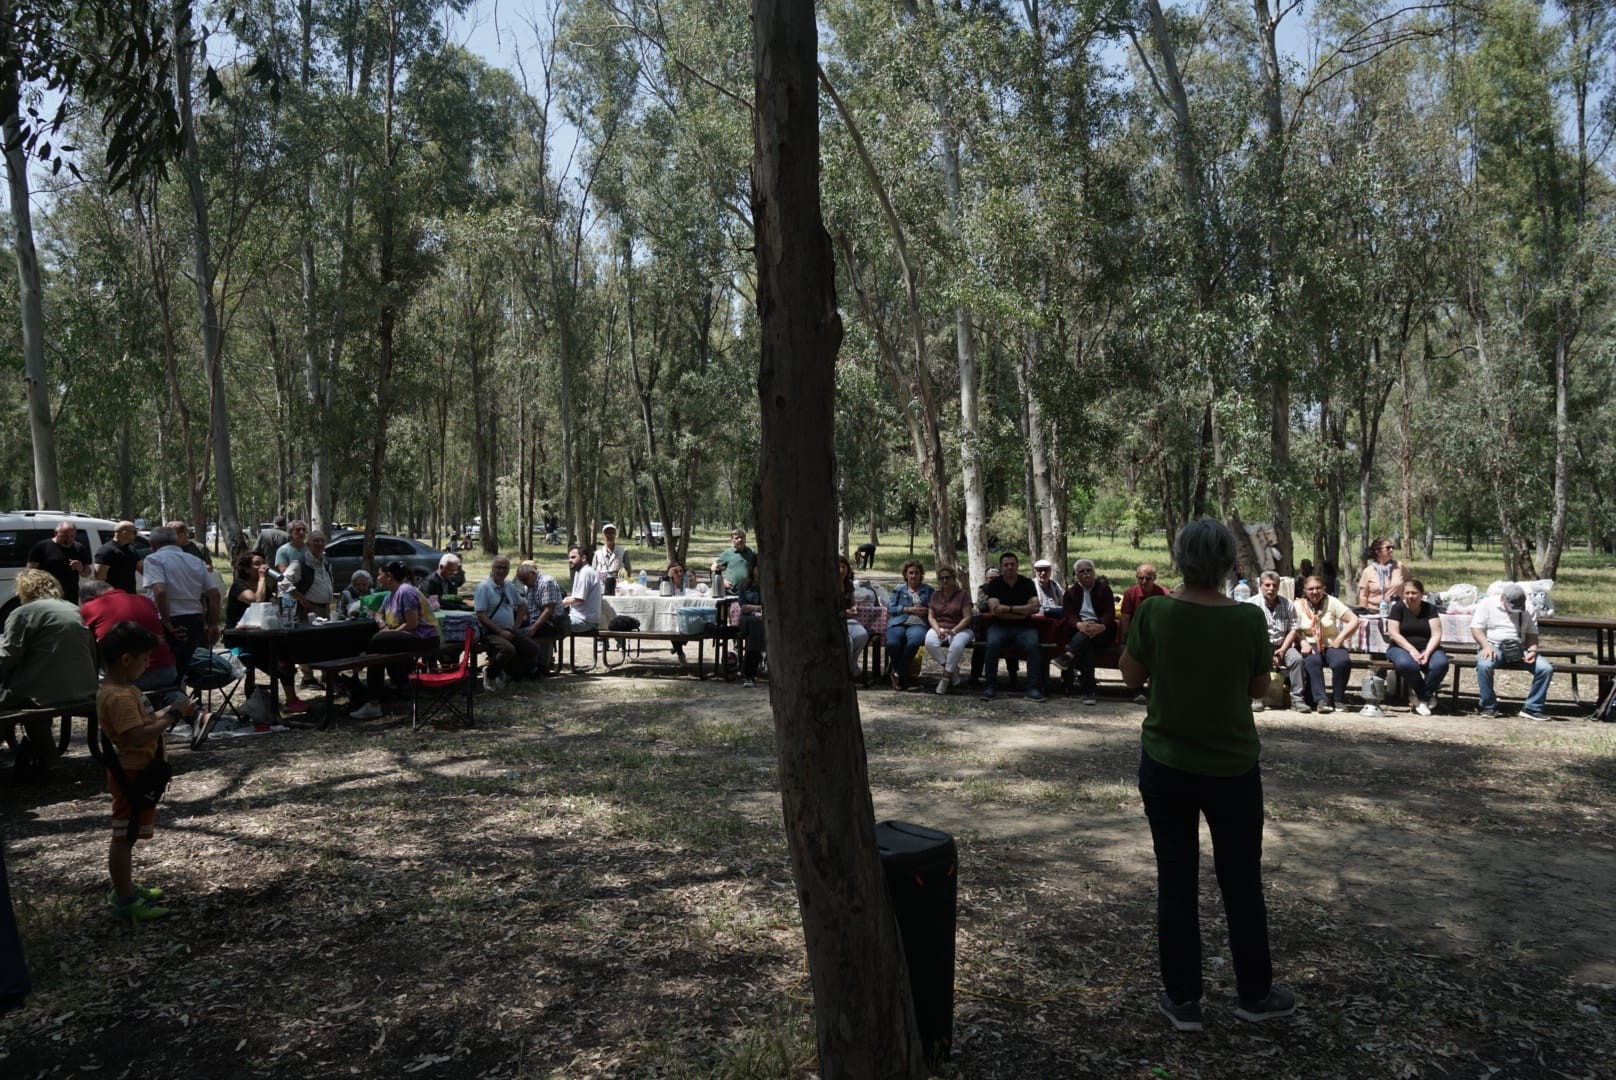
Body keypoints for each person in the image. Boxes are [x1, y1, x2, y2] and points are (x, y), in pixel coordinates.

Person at [1118, 517, 1296, 1032]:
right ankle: (1254, 994)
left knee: (1176, 880)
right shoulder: (1245, 620)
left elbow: (1131, 675)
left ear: (1180, 560)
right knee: (1241, 881)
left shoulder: (1154, 611)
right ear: (1227, 564)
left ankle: (1183, 1000)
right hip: (1233, 768)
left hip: (1167, 765)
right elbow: (1258, 690)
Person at [98, 621, 198, 921]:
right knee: (123, 837)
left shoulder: (126, 689)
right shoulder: (117, 696)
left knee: (129, 834)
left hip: (140, 770)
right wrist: (173, 717)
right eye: (144, 659)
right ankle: (125, 900)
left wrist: (169, 711)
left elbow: (142, 723)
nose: (147, 665)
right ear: (126, 659)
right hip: (131, 774)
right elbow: (136, 737)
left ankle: (125, 887)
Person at [0, 570, 99, 765]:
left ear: (24, 590)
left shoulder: (23, 612)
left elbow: (7, 656)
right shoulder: (74, 609)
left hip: (43, 693)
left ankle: (44, 756)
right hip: (84, 688)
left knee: (17, 699)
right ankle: (46, 755)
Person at [348, 561, 441, 720]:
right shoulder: (390, 594)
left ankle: (373, 699)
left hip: (424, 637)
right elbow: (377, 614)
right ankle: (375, 700)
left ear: (389, 576)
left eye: (380, 574)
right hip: (407, 636)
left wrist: (389, 633)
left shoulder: (406, 591)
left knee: (379, 642)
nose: (378, 578)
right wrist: (383, 625)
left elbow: (412, 624)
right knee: (377, 654)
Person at [80, 580, 187, 707]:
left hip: (130, 674)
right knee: (166, 694)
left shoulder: (90, 607)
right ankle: (198, 714)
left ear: (89, 598)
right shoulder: (145, 600)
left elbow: (86, 644)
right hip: (166, 669)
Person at [223, 552, 308, 713]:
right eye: (256, 564)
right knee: (276, 663)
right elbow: (256, 601)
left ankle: (291, 698)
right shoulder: (239, 586)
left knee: (286, 654)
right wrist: (262, 579)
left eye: (263, 562)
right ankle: (274, 698)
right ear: (246, 569)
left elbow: (273, 605)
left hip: (262, 636)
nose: (262, 567)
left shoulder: (265, 587)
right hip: (240, 640)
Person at [1470, 583, 1554, 720]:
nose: (1514, 611)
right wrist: (1485, 646)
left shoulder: (1528, 608)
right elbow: (1476, 628)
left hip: (1519, 647)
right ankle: (1488, 706)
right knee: (1484, 665)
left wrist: (1532, 650)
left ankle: (1533, 708)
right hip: (1492, 645)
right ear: (1503, 598)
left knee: (1545, 669)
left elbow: (1532, 634)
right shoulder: (1487, 604)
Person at [141, 525, 221, 666]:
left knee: (170, 666)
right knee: (190, 665)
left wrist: (166, 621)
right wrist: (213, 624)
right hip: (195, 619)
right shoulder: (197, 561)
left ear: (152, 545)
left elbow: (160, 591)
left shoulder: (153, 560)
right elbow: (214, 594)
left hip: (172, 621)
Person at [981, 551, 1046, 702]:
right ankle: (990, 687)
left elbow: (1035, 607)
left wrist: (1009, 609)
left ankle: (1033, 689)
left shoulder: (1027, 583)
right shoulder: (995, 584)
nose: (1009, 567)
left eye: (1012, 564)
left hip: (1025, 626)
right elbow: (995, 610)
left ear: (1017, 566)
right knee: (992, 645)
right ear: (1001, 567)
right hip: (999, 626)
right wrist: (1022, 611)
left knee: (1033, 645)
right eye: (1006, 565)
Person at [1053, 559, 1116, 705]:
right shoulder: (1070, 593)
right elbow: (1068, 615)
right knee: (1087, 646)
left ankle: (1067, 656)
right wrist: (1079, 624)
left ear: (1094, 572)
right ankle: (1089, 691)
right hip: (1080, 630)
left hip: (1102, 632)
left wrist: (1101, 626)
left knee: (1086, 639)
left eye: (1089, 570)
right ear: (1076, 575)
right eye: (1082, 571)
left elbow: (1109, 613)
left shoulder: (1104, 589)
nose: (1086, 573)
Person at [475, 555, 541, 691]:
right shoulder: (484, 587)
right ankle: (490, 672)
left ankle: (506, 671)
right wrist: (500, 631)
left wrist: (515, 627)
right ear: (492, 568)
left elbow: (523, 605)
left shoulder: (509, 586)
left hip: (509, 629)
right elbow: (481, 615)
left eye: (505, 568)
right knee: (508, 649)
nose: (501, 571)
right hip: (491, 632)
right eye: (498, 567)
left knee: (532, 649)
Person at [1294, 575, 1359, 713]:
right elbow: (1293, 628)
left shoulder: (1332, 602)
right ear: (1305, 591)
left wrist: (1340, 639)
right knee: (1312, 661)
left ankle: (1338, 700)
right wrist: (1303, 642)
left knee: (1342, 661)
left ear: (1324, 589)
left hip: (1331, 642)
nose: (1314, 592)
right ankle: (1321, 700)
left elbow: (1354, 620)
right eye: (1310, 589)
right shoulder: (1298, 605)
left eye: (1318, 588)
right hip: (1309, 642)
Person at [1247, 571, 1305, 713]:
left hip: (1282, 645)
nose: (1271, 589)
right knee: (1255, 660)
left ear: (1279, 587)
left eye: (1274, 585)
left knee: (1297, 660)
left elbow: (1293, 629)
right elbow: (1249, 632)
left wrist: (1283, 650)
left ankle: (1297, 699)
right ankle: (1256, 698)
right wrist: (1267, 652)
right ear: (1260, 586)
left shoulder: (1288, 604)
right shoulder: (1251, 605)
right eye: (1267, 585)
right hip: (1260, 646)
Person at [885, 560, 933, 691]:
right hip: (898, 621)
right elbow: (891, 608)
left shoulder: (928, 590)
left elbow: (936, 608)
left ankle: (897, 673)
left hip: (919, 623)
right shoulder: (899, 589)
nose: (913, 576)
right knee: (893, 644)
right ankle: (902, 674)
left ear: (921, 574)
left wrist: (926, 609)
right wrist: (908, 609)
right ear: (905, 575)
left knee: (914, 642)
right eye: (910, 573)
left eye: (916, 573)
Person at [924, 565, 973, 694]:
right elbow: (931, 616)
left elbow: (967, 617)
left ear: (954, 579)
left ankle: (945, 679)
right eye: (941, 578)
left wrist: (954, 631)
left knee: (956, 646)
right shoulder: (935, 595)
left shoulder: (962, 595)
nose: (944, 581)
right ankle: (952, 670)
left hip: (961, 629)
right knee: (929, 642)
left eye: (947, 578)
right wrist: (937, 630)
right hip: (940, 627)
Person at [516, 561, 564, 674]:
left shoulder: (547, 582)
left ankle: (535, 667)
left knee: (519, 636)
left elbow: (549, 610)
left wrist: (533, 628)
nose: (524, 583)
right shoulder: (528, 586)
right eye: (522, 581)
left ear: (533, 574)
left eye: (525, 580)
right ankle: (529, 666)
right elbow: (529, 607)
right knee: (511, 630)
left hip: (551, 623)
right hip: (535, 621)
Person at [26, 520, 91, 604]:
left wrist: (81, 568)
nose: (68, 539)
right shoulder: (41, 547)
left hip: (70, 596)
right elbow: (30, 572)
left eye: (72, 536)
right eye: (64, 536)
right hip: (47, 594)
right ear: (55, 533)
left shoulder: (79, 548)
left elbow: (87, 574)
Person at [734, 563, 766, 688]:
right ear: (752, 568)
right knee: (755, 625)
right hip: (748, 619)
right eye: (757, 566)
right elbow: (743, 607)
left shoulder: (771, 583)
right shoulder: (744, 584)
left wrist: (756, 608)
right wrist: (758, 609)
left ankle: (749, 673)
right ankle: (750, 673)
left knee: (757, 627)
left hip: (767, 618)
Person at [1355, 538, 1406, 613]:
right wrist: (1364, 614)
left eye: (1392, 547)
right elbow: (1363, 596)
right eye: (1388, 548)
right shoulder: (1368, 571)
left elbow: (1410, 585)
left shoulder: (1399, 566)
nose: (1391, 550)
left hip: (1397, 611)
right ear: (1377, 551)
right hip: (1374, 611)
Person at [838, 555, 869, 678]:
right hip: (833, 621)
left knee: (862, 635)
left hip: (848, 620)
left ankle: (852, 664)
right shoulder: (828, 586)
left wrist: (854, 608)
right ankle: (845, 672)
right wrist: (844, 612)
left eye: (844, 567)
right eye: (838, 567)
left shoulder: (849, 584)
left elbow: (853, 602)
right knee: (848, 642)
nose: (841, 570)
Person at [93, 521, 143, 594]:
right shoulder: (106, 550)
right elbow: (100, 578)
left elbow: (141, 568)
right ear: (124, 533)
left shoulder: (131, 549)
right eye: (134, 532)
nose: (136, 535)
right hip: (114, 597)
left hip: (130, 595)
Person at [562, 545, 602, 631]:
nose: (570, 560)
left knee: (549, 624)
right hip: (579, 618)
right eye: (569, 558)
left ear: (583, 558)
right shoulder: (580, 571)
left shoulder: (586, 572)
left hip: (585, 621)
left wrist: (563, 603)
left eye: (573, 557)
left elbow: (579, 600)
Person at [711, 529, 757, 598]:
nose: (740, 540)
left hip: (749, 592)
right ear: (732, 540)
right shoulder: (728, 553)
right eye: (736, 538)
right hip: (731, 593)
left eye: (742, 537)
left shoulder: (751, 552)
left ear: (745, 538)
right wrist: (722, 581)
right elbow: (713, 567)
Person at [591, 523, 631, 596]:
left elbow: (628, 571)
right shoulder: (597, 554)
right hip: (601, 589)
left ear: (615, 534)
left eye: (612, 533)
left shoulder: (623, 552)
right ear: (603, 535)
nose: (610, 535)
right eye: (607, 533)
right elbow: (593, 574)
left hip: (619, 588)